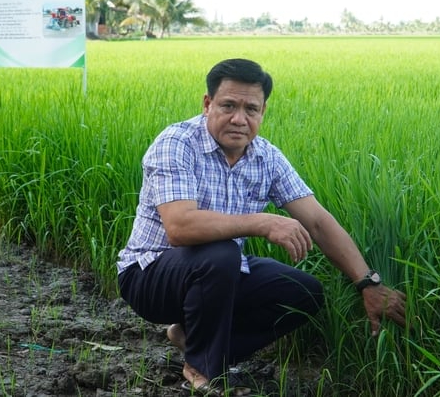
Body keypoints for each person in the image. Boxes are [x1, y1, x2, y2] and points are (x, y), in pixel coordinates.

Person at [117, 58, 407, 396]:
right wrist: (262, 222)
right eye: (228, 106)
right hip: (150, 275)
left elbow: (316, 220)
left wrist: (367, 283)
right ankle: (200, 370)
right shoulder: (177, 143)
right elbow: (179, 228)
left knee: (302, 292)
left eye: (251, 109)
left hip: (218, 274)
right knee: (221, 252)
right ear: (208, 104)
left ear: (263, 111)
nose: (239, 119)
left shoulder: (265, 157)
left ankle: (197, 345)